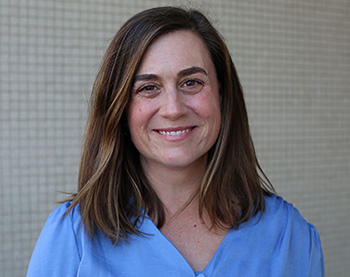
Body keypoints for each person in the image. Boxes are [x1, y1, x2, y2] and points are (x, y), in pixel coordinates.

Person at [27, 6, 324, 276]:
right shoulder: (73, 234)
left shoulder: (290, 234)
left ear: (222, 96)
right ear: (121, 109)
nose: (173, 109)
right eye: (148, 87)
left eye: (191, 82)